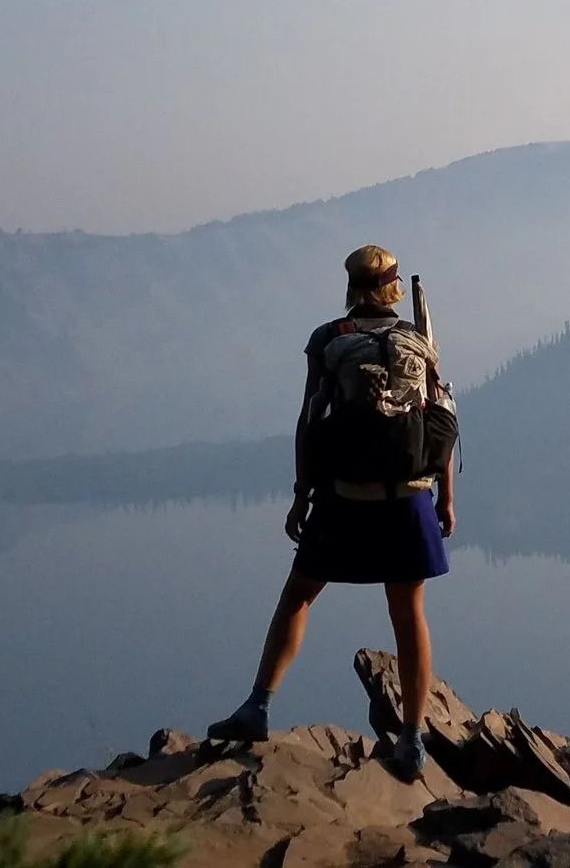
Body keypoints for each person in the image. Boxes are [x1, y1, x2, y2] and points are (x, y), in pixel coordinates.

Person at [207, 244, 457, 780]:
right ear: (393, 289)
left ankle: (258, 706)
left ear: (350, 287)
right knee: (408, 614)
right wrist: (446, 499)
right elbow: (440, 419)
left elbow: (309, 419)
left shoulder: (329, 339)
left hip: (344, 496)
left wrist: (302, 493)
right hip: (408, 497)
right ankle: (412, 738)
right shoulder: (419, 339)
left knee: (298, 595)